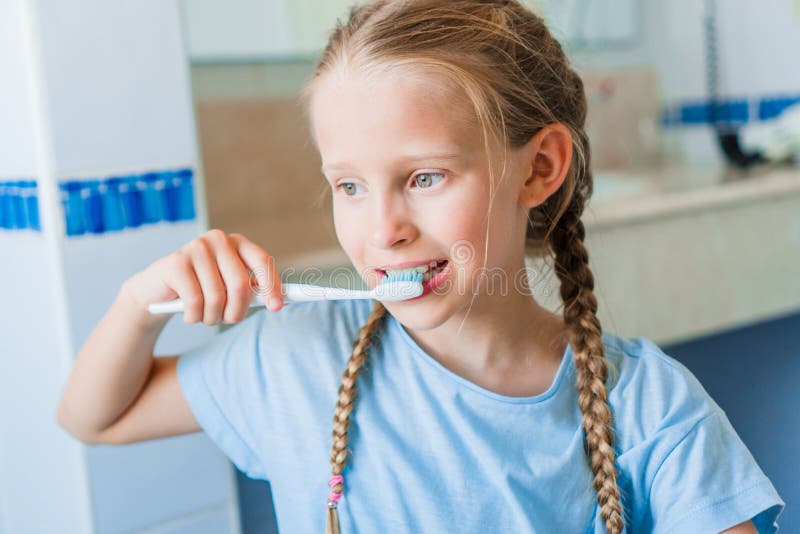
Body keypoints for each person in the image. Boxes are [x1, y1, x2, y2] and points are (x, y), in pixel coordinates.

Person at [56, 1, 784, 532]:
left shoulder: (653, 409)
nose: (383, 231)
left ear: (539, 168)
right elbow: (95, 417)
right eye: (349, 186)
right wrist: (137, 302)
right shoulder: (295, 359)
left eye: (425, 177)